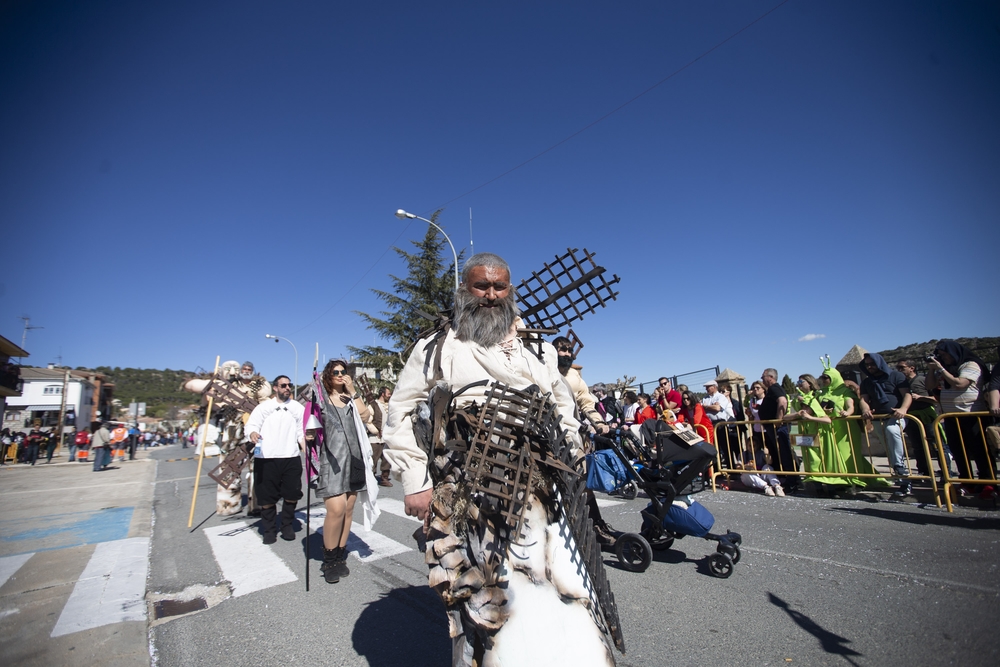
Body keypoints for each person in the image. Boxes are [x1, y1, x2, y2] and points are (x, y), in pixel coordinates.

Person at [384, 252, 621, 666]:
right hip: (470, 489)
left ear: (510, 290)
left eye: (499, 286)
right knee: (490, 605)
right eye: (481, 286)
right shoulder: (439, 346)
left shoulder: (537, 348)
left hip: (542, 488)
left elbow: (561, 405)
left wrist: (574, 454)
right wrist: (415, 481)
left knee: (558, 587)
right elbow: (399, 411)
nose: (491, 295)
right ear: (464, 290)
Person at [312, 359, 379, 584]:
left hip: (354, 458)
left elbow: (366, 416)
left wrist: (353, 392)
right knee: (336, 510)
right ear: (328, 375)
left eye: (343, 372)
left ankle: (340, 556)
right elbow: (307, 423)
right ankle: (328, 560)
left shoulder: (349, 398)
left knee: (349, 509)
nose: (340, 375)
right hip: (331, 461)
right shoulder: (320, 399)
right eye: (335, 372)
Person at [552, 335, 616, 547]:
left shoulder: (573, 376)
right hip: (551, 434)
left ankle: (595, 525)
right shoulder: (545, 371)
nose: (567, 354)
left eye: (569, 350)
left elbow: (586, 402)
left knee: (582, 479)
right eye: (562, 350)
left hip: (572, 437)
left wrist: (598, 422)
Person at [246, 375, 305, 545]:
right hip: (266, 457)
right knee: (267, 497)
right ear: (275, 388)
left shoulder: (296, 407)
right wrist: (252, 433)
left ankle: (287, 525)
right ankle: (270, 529)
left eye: (289, 385)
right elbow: (251, 425)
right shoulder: (264, 407)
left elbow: (302, 429)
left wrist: (304, 445)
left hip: (290, 456)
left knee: (292, 494)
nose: (287, 388)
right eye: (283, 385)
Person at [925, 340, 993, 487]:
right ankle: (966, 481)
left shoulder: (970, 365)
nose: (944, 358)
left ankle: (987, 482)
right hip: (950, 417)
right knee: (959, 452)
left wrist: (941, 369)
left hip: (972, 415)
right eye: (941, 356)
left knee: (980, 451)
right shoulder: (946, 368)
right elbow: (929, 385)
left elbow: (960, 383)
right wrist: (932, 369)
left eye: (945, 355)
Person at [858, 353, 913, 498]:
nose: (870, 367)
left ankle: (900, 469)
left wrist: (903, 409)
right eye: (867, 364)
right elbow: (863, 399)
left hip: (895, 416)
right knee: (890, 449)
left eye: (872, 364)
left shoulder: (896, 376)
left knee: (892, 430)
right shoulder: (867, 382)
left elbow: (907, 394)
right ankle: (902, 481)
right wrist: (865, 409)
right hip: (878, 418)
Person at [788, 374, 848, 496]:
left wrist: (810, 416)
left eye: (802, 381)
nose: (799, 384)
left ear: (809, 383)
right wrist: (797, 414)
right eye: (798, 381)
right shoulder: (798, 400)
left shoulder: (816, 398)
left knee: (825, 460)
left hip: (820, 433)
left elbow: (826, 417)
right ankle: (818, 488)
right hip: (806, 433)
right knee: (811, 460)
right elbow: (786, 416)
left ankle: (831, 488)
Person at [895, 359, 954, 478]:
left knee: (937, 444)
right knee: (917, 446)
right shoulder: (901, 383)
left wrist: (920, 397)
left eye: (902, 367)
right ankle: (924, 471)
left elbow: (937, 398)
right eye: (898, 368)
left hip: (927, 416)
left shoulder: (922, 380)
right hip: (911, 417)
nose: (900, 370)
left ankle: (946, 472)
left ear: (912, 368)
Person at [760, 368, 799, 494]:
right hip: (774, 427)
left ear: (770, 377)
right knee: (781, 453)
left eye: (763, 377)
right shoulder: (772, 390)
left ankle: (793, 481)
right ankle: (789, 479)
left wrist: (778, 419)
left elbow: (782, 401)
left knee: (785, 453)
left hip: (779, 427)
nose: (762, 379)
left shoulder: (774, 388)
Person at [367, 386, 394, 487]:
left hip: (386, 437)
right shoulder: (373, 405)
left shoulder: (390, 406)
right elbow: (368, 421)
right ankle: (371, 478)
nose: (390, 395)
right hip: (375, 438)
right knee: (373, 459)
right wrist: (376, 431)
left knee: (387, 458)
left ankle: (384, 478)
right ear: (382, 394)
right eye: (388, 393)